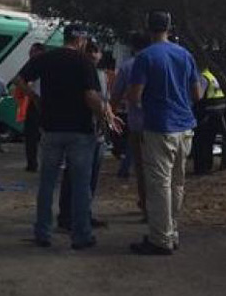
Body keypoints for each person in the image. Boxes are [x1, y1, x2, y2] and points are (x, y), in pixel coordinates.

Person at [15, 24, 121, 250]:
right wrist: (105, 114)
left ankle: (42, 232)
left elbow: (19, 79)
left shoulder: (46, 58)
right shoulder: (85, 63)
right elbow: (90, 95)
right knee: (80, 185)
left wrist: (34, 97)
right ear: (81, 40)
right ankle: (81, 235)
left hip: (51, 128)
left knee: (47, 183)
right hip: (80, 132)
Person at [127, 12, 201, 255]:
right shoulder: (185, 54)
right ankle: (172, 230)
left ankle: (160, 238)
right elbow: (197, 93)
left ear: (148, 28)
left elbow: (135, 96)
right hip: (185, 125)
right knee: (178, 182)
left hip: (159, 126)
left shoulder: (145, 57)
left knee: (159, 184)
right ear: (170, 27)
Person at [58, 39, 109, 230]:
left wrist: (106, 121)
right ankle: (66, 216)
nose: (93, 54)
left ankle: (84, 213)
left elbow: (105, 101)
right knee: (74, 175)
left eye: (96, 51)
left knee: (91, 178)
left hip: (98, 133)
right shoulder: (76, 72)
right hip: (80, 132)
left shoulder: (102, 76)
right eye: (89, 51)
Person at [111, 31, 150, 219]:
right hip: (165, 124)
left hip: (138, 124)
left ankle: (146, 207)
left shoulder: (128, 67)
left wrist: (110, 114)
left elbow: (116, 95)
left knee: (142, 171)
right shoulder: (162, 61)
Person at [193, 65, 226, 175]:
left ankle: (201, 168)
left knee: (201, 142)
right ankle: (207, 166)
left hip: (206, 114)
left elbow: (198, 96)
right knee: (209, 142)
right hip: (216, 113)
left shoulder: (202, 77)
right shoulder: (212, 76)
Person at [21, 43, 46, 171]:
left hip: (39, 102)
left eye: (32, 51)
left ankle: (33, 164)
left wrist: (31, 94)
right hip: (43, 103)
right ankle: (34, 163)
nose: (30, 54)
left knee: (33, 135)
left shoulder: (36, 64)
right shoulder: (46, 64)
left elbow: (19, 79)